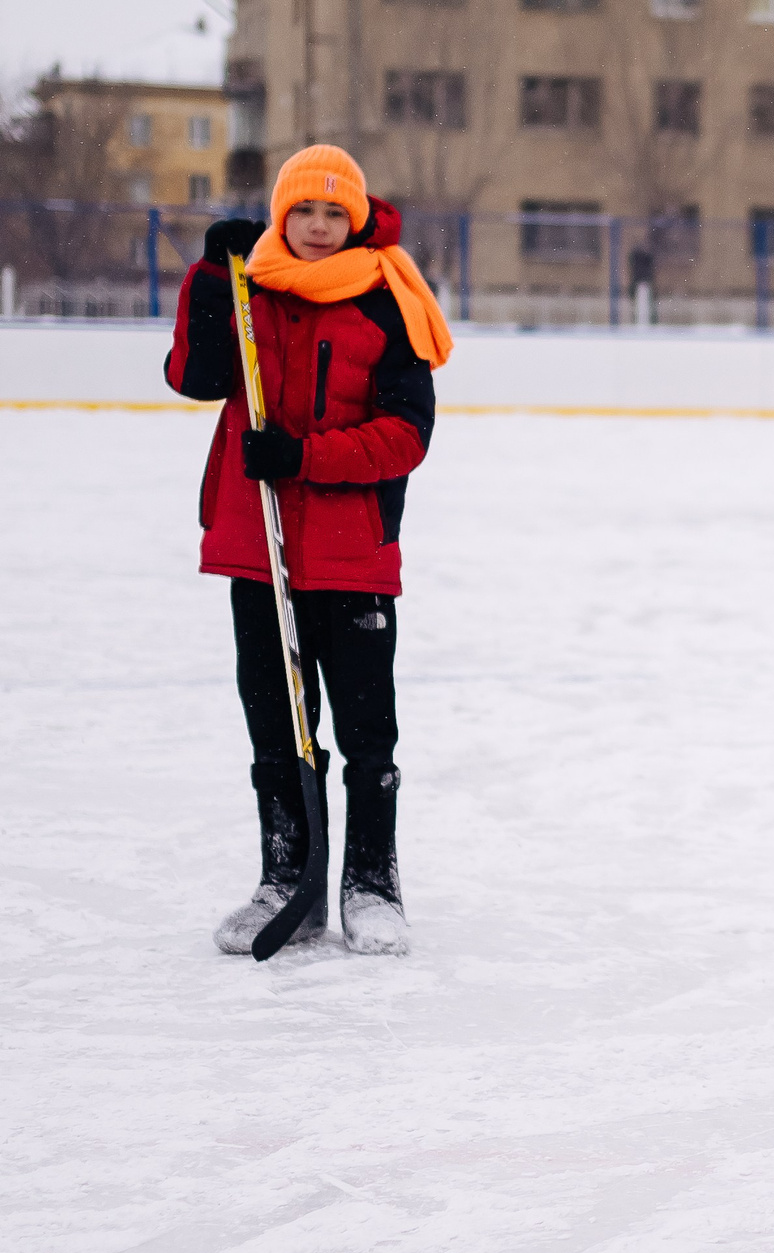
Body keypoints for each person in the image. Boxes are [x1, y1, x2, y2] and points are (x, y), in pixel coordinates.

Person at [166, 143, 453, 956]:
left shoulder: (386, 301)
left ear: (354, 220)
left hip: (350, 553)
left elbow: (406, 435)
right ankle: (284, 878)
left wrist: (303, 457)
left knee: (368, 736)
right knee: (276, 729)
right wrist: (214, 284)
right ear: (282, 215)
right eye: (305, 211)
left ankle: (370, 882)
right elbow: (193, 375)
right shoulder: (249, 287)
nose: (320, 227)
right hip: (259, 547)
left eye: (335, 212)